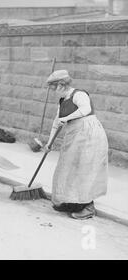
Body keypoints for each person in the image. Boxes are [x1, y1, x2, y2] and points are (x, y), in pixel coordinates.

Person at [44, 70, 108, 220]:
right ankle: (72, 202)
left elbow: (85, 110)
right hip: (75, 135)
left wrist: (66, 118)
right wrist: (49, 143)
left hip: (90, 135)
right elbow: (56, 122)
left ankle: (88, 208)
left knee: (85, 170)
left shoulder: (79, 95)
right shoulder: (63, 100)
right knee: (67, 168)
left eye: (53, 88)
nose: (52, 91)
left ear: (61, 85)